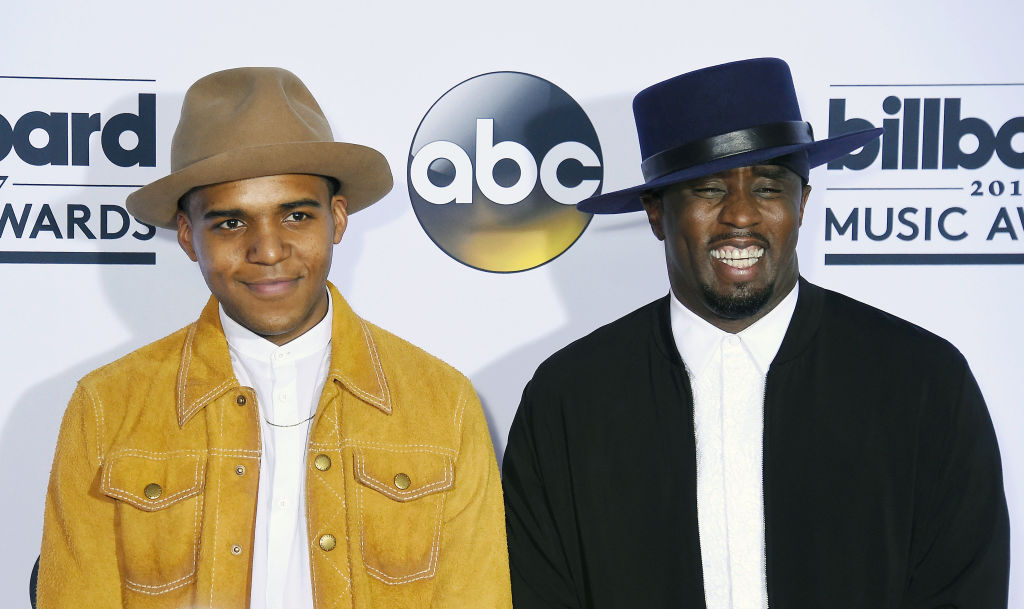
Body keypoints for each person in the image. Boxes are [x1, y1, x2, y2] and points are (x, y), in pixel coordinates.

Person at [502, 58, 1009, 609]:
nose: (741, 216)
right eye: (708, 190)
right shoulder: (569, 399)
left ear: (802, 204)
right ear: (656, 213)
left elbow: (964, 590)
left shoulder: (923, 381)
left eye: (768, 188)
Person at [37, 67, 512, 609]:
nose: (267, 250)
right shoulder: (106, 407)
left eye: (295, 215)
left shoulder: (442, 403)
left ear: (337, 219)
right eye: (231, 224)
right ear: (188, 237)